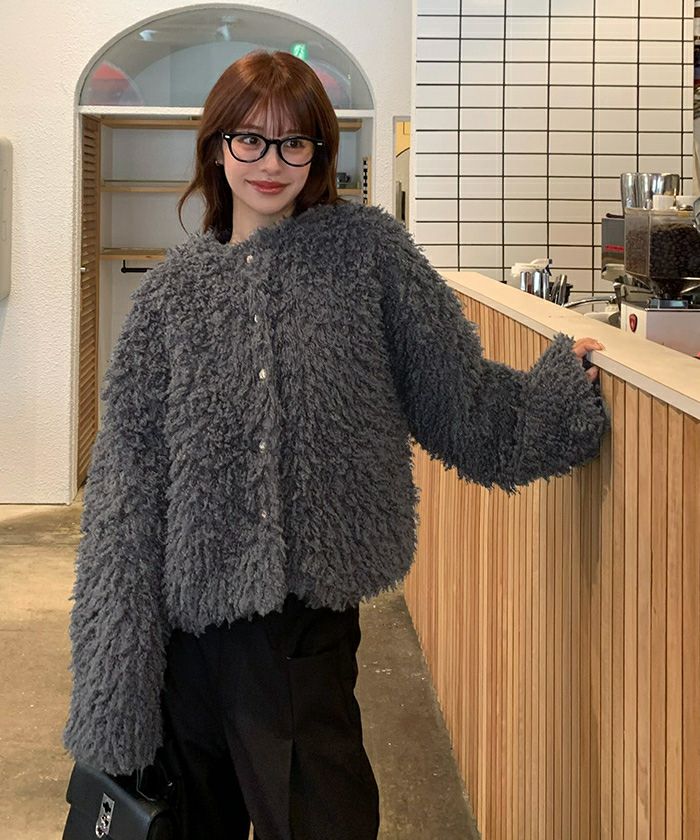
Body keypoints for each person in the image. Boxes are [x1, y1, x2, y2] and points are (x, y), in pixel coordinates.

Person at [63, 49, 608, 840]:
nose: (270, 162)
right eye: (250, 139)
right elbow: (125, 492)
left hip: (301, 628)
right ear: (217, 147)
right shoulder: (171, 297)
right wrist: (115, 680)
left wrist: (555, 398)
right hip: (183, 642)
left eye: (293, 142)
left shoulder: (368, 256)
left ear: (320, 152)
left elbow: (457, 396)